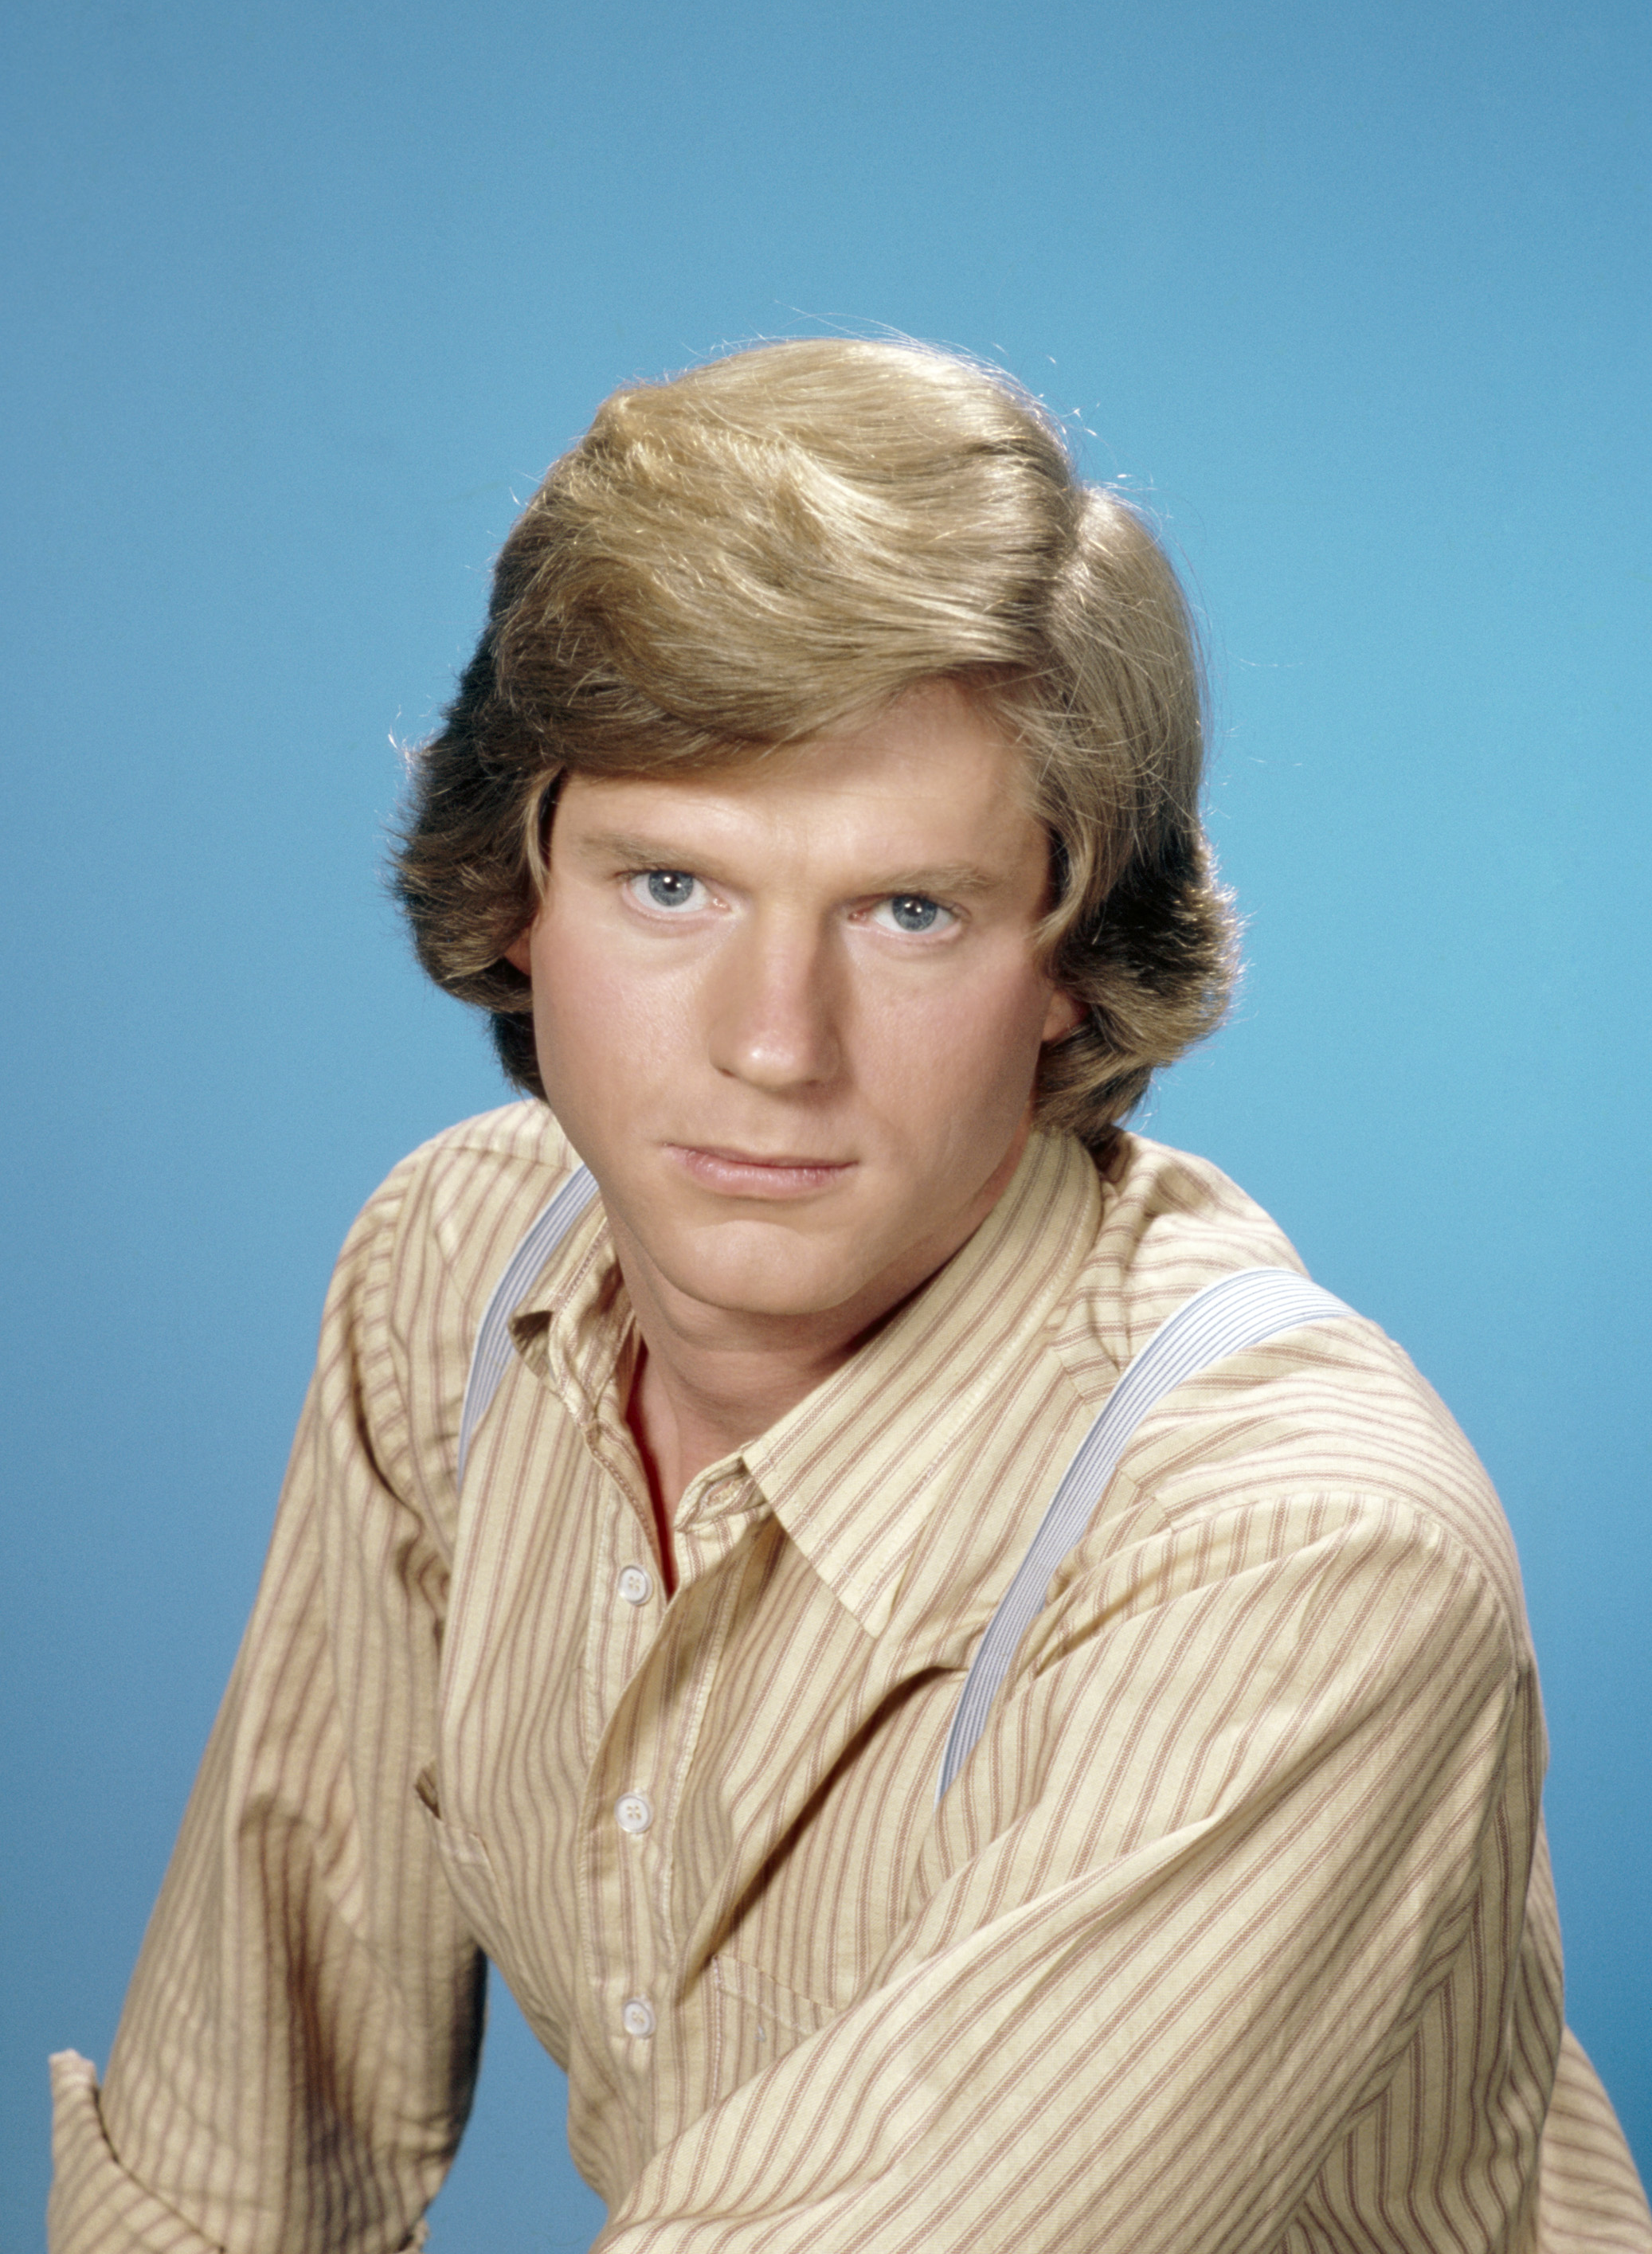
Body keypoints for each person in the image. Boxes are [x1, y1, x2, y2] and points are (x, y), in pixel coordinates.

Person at [49, 338, 1650, 2254]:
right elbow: (240, 2164)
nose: (770, 1045)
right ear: (516, 890)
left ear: (1071, 958)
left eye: (910, 912)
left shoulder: (1295, 1557)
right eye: (670, 887)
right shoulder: (460, 1277)